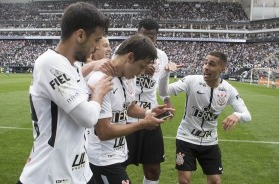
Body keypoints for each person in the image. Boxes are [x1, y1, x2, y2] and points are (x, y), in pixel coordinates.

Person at [17, 2, 113, 184]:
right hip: (50, 175)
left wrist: (90, 94)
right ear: (80, 35)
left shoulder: (73, 66)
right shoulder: (50, 63)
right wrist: (99, 93)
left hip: (79, 172)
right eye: (95, 40)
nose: (95, 48)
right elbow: (87, 118)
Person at [86, 34, 175, 184]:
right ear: (130, 57)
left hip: (119, 154)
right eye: (141, 66)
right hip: (102, 160)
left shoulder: (129, 78)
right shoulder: (101, 80)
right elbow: (104, 132)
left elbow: (129, 107)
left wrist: (149, 112)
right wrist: (143, 124)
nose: (141, 73)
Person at [159, 51, 252, 184]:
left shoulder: (228, 90)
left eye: (212, 64)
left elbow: (247, 115)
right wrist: (165, 73)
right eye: (205, 63)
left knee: (215, 181)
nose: (206, 67)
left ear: (223, 69)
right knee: (184, 181)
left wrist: (237, 115)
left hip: (210, 141)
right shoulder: (192, 80)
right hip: (186, 138)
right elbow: (163, 91)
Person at [122, 19, 178, 184]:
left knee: (153, 169)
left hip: (151, 117)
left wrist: (167, 99)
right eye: (143, 35)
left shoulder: (161, 56)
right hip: (126, 118)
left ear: (156, 37)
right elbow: (115, 77)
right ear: (136, 33)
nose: (147, 40)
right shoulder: (123, 51)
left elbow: (161, 86)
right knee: (119, 166)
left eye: (151, 37)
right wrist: (139, 69)